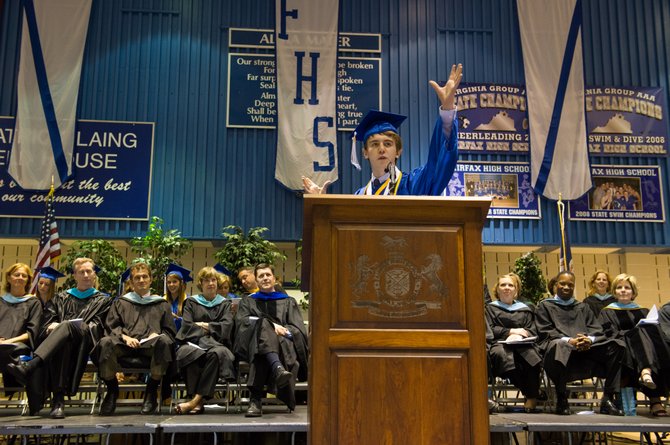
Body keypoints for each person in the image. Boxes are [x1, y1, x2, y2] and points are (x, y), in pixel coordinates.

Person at [303, 64, 462, 196]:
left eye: (388, 144)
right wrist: (322, 203)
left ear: (398, 151)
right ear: (365, 153)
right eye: (374, 144)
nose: (381, 149)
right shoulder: (360, 196)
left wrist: (447, 110)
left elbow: (441, 162)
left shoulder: (414, 184)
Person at [6, 258, 112, 419]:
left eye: (89, 271)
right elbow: (45, 326)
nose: (85, 275)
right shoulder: (61, 298)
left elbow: (98, 326)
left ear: (94, 275)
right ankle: (58, 401)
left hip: (86, 344)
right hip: (61, 346)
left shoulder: (103, 300)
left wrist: (64, 326)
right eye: (81, 272)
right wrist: (51, 326)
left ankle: (32, 364)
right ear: (74, 275)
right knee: (63, 342)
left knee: (65, 326)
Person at [535, 271, 624, 416]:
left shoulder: (582, 307)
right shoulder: (544, 306)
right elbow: (544, 331)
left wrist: (589, 339)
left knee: (617, 345)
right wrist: (569, 340)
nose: (566, 287)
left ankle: (607, 399)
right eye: (562, 283)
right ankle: (562, 397)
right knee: (560, 345)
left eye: (570, 285)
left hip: (585, 351)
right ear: (556, 285)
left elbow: (596, 329)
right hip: (558, 353)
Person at [95, 262, 176, 416]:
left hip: (150, 348)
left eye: (145, 276)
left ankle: (151, 392)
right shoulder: (121, 302)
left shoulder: (161, 304)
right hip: (124, 346)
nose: (141, 280)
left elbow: (169, 331)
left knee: (164, 341)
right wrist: (124, 337)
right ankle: (112, 391)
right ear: (131, 282)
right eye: (137, 278)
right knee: (105, 343)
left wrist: (157, 335)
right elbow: (111, 327)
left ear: (151, 280)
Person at [234, 263, 308, 417]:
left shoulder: (288, 301)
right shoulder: (248, 301)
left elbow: (298, 330)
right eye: (261, 276)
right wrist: (271, 325)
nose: (265, 278)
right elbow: (242, 324)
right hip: (254, 343)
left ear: (274, 278)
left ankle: (255, 400)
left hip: (282, 343)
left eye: (268, 275)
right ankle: (278, 369)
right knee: (262, 330)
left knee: (261, 348)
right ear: (256, 280)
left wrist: (284, 331)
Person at [599, 274, 670, 417]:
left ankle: (647, 375)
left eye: (627, 288)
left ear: (633, 292)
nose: (623, 290)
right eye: (619, 288)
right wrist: (633, 334)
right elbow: (608, 333)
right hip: (622, 348)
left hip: (644, 349)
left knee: (654, 341)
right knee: (639, 338)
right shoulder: (606, 311)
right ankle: (654, 399)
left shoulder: (643, 311)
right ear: (614, 292)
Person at [174, 267, 236, 414]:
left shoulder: (225, 303)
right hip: (193, 342)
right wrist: (213, 327)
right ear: (200, 283)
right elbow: (187, 326)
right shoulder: (191, 302)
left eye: (213, 280)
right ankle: (196, 400)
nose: (210, 283)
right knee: (190, 353)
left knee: (215, 354)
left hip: (217, 344)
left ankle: (194, 401)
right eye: (206, 280)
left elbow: (226, 327)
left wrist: (204, 324)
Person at [485, 273, 542, 413]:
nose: (506, 288)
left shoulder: (525, 309)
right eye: (503, 285)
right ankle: (531, 394)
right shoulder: (490, 309)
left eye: (510, 285)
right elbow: (489, 329)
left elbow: (532, 328)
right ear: (497, 289)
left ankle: (532, 396)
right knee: (501, 355)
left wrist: (522, 335)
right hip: (500, 343)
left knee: (533, 356)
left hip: (523, 343)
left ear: (516, 290)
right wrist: (510, 331)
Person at [0, 263, 43, 415]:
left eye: (24, 276)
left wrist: (9, 341)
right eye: (16, 274)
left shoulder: (33, 303)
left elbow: (32, 332)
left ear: (28, 281)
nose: (20, 278)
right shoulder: (1, 300)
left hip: (19, 347)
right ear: (9, 278)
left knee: (10, 350)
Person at [164, 263, 192, 332]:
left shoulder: (189, 301)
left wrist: (177, 318)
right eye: (169, 282)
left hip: (183, 337)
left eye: (174, 282)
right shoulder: (163, 300)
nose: (171, 285)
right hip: (166, 337)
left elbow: (192, 324)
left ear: (181, 283)